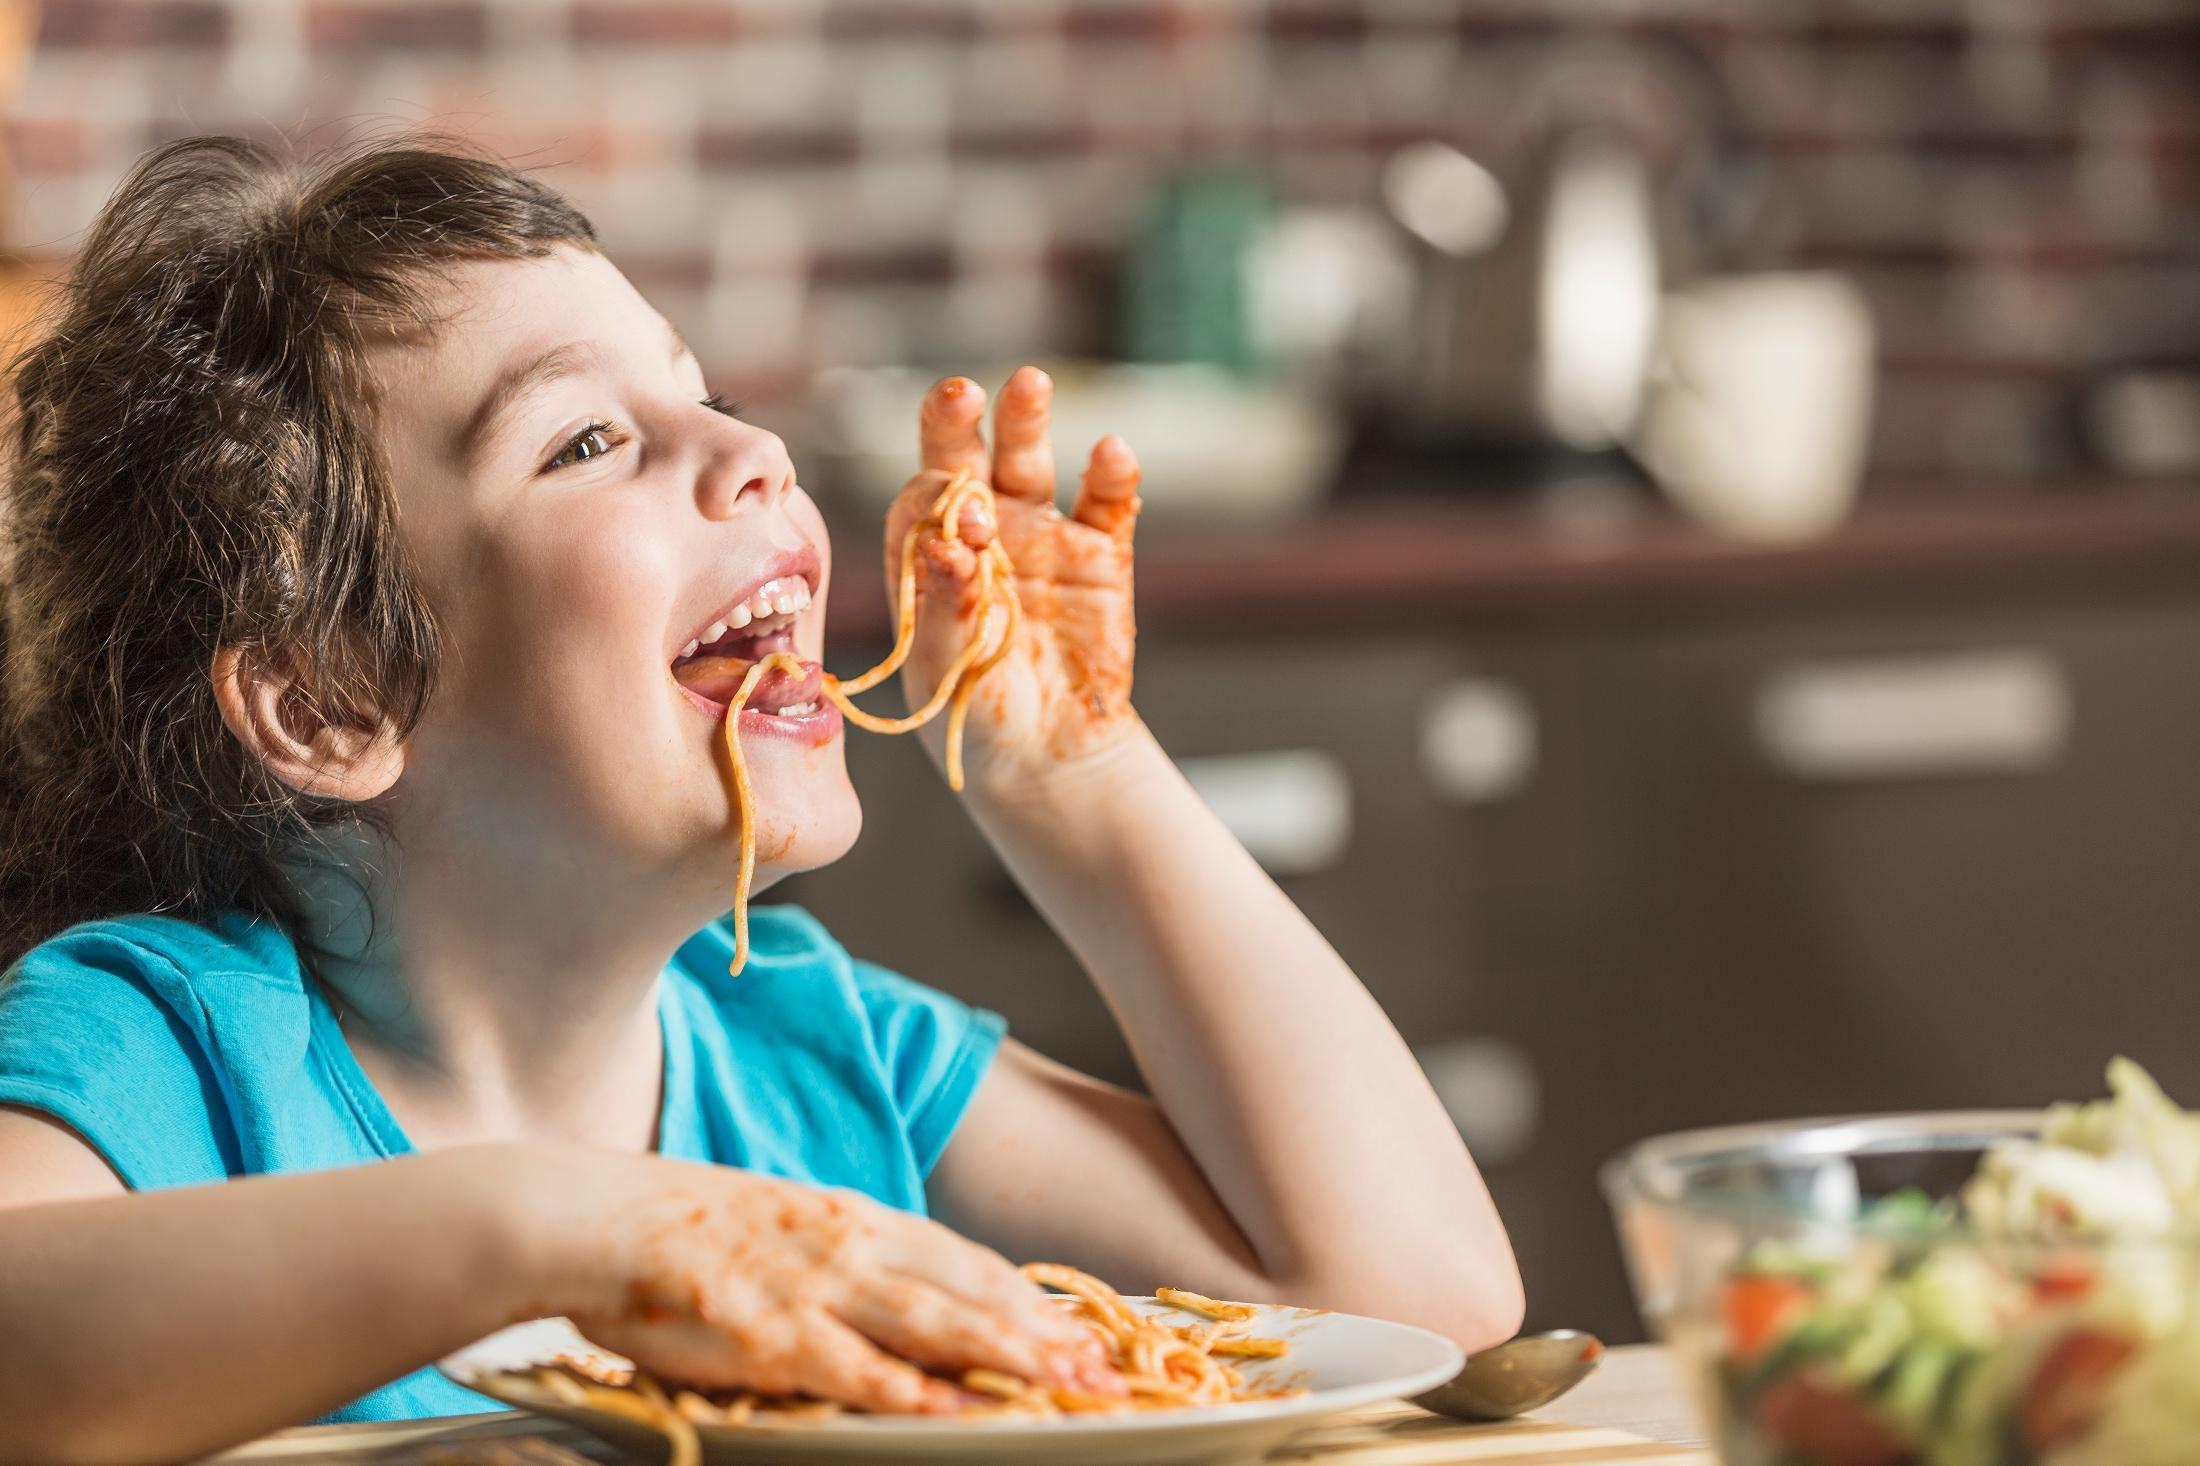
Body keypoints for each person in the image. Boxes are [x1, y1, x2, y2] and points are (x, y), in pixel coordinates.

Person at [0, 137, 1522, 1466]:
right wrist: (574, 1228)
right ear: (329, 701)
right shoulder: (169, 1041)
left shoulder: (809, 1044)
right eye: (588, 441)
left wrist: (1073, 767)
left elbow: (1415, 1297)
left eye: (706, 394)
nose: (755, 452)